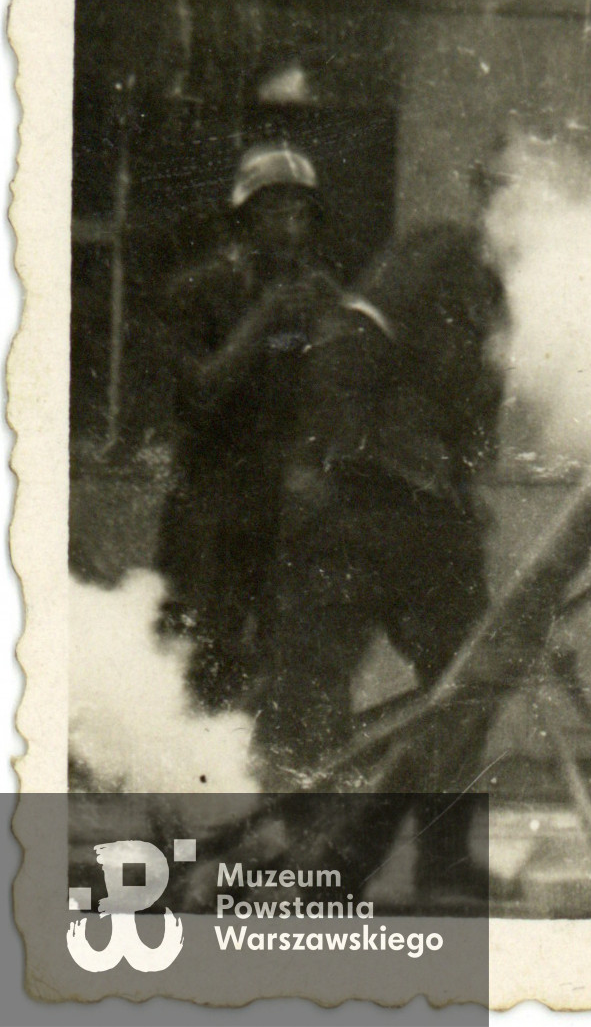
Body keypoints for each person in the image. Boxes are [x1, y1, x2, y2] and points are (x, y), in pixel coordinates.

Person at [254, 222, 506, 900]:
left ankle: (444, 858)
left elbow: (477, 431)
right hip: (352, 522)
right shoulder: (381, 314)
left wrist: (461, 481)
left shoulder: (481, 329)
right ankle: (309, 859)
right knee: (313, 694)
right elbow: (331, 415)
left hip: (430, 531)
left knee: (471, 679)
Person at [156, 143, 338, 712]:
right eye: (274, 212)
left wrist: (325, 332)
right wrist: (262, 323)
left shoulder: (316, 295)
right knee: (199, 653)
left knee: (285, 658)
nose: (289, 229)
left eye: (300, 214)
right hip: (208, 504)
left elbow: (336, 397)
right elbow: (198, 394)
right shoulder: (197, 292)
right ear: (244, 220)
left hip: (281, 507)